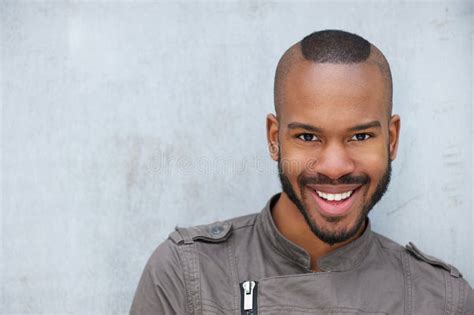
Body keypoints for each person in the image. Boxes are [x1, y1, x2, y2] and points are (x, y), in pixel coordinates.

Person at [130, 30, 474, 314]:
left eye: (360, 136)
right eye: (308, 137)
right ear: (274, 139)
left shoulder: (442, 299)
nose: (335, 167)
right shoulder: (188, 274)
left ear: (392, 139)